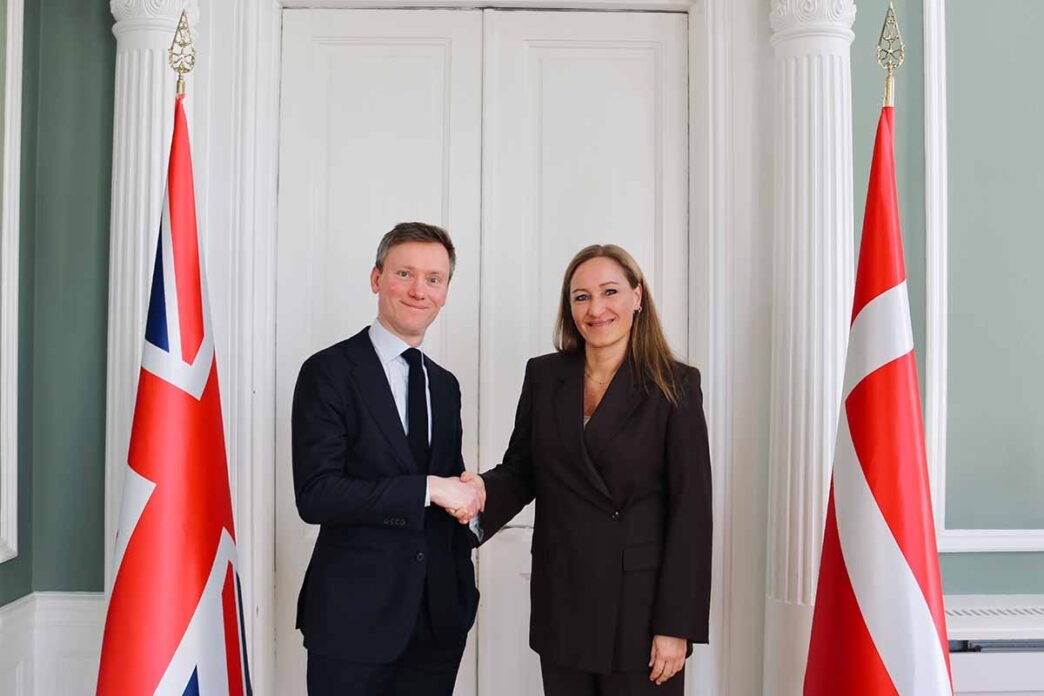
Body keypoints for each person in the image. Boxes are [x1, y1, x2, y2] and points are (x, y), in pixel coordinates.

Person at [458, 244, 712, 695]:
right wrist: (477, 494)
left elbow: (691, 511)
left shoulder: (674, 384)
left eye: (609, 292)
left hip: (640, 610)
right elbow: (521, 471)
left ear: (637, 296)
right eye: (581, 297)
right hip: (564, 598)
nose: (596, 309)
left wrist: (676, 625)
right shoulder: (544, 376)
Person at [292, 222, 485, 695]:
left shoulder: (445, 385)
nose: (419, 290)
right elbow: (316, 495)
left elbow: (448, 492)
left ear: (445, 292)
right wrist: (428, 488)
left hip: (438, 623)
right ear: (377, 278)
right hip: (352, 623)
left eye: (434, 279)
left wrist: (471, 502)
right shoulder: (328, 371)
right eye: (405, 274)